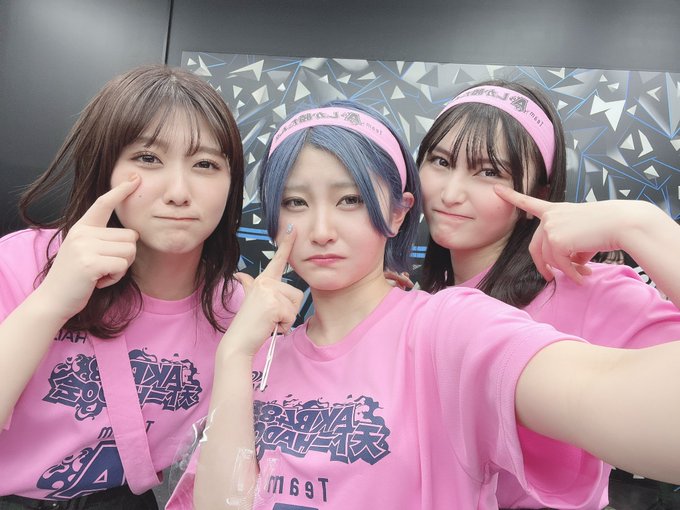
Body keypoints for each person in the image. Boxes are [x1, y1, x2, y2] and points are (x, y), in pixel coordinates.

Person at [166, 100, 680, 510]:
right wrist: (234, 355)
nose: (320, 230)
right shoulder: (260, 351)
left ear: (398, 210)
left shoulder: (451, 329)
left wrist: (642, 226)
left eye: (350, 200)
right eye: (295, 202)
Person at [416, 80, 680, 508]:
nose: (450, 193)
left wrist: (639, 224)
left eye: (489, 172)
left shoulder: (587, 289)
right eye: (441, 161)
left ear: (537, 194)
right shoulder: (420, 298)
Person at [0, 64, 245, 509]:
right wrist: (50, 302)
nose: (178, 191)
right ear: (106, 167)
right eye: (148, 158)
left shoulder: (235, 312)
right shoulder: (21, 263)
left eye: (205, 164)